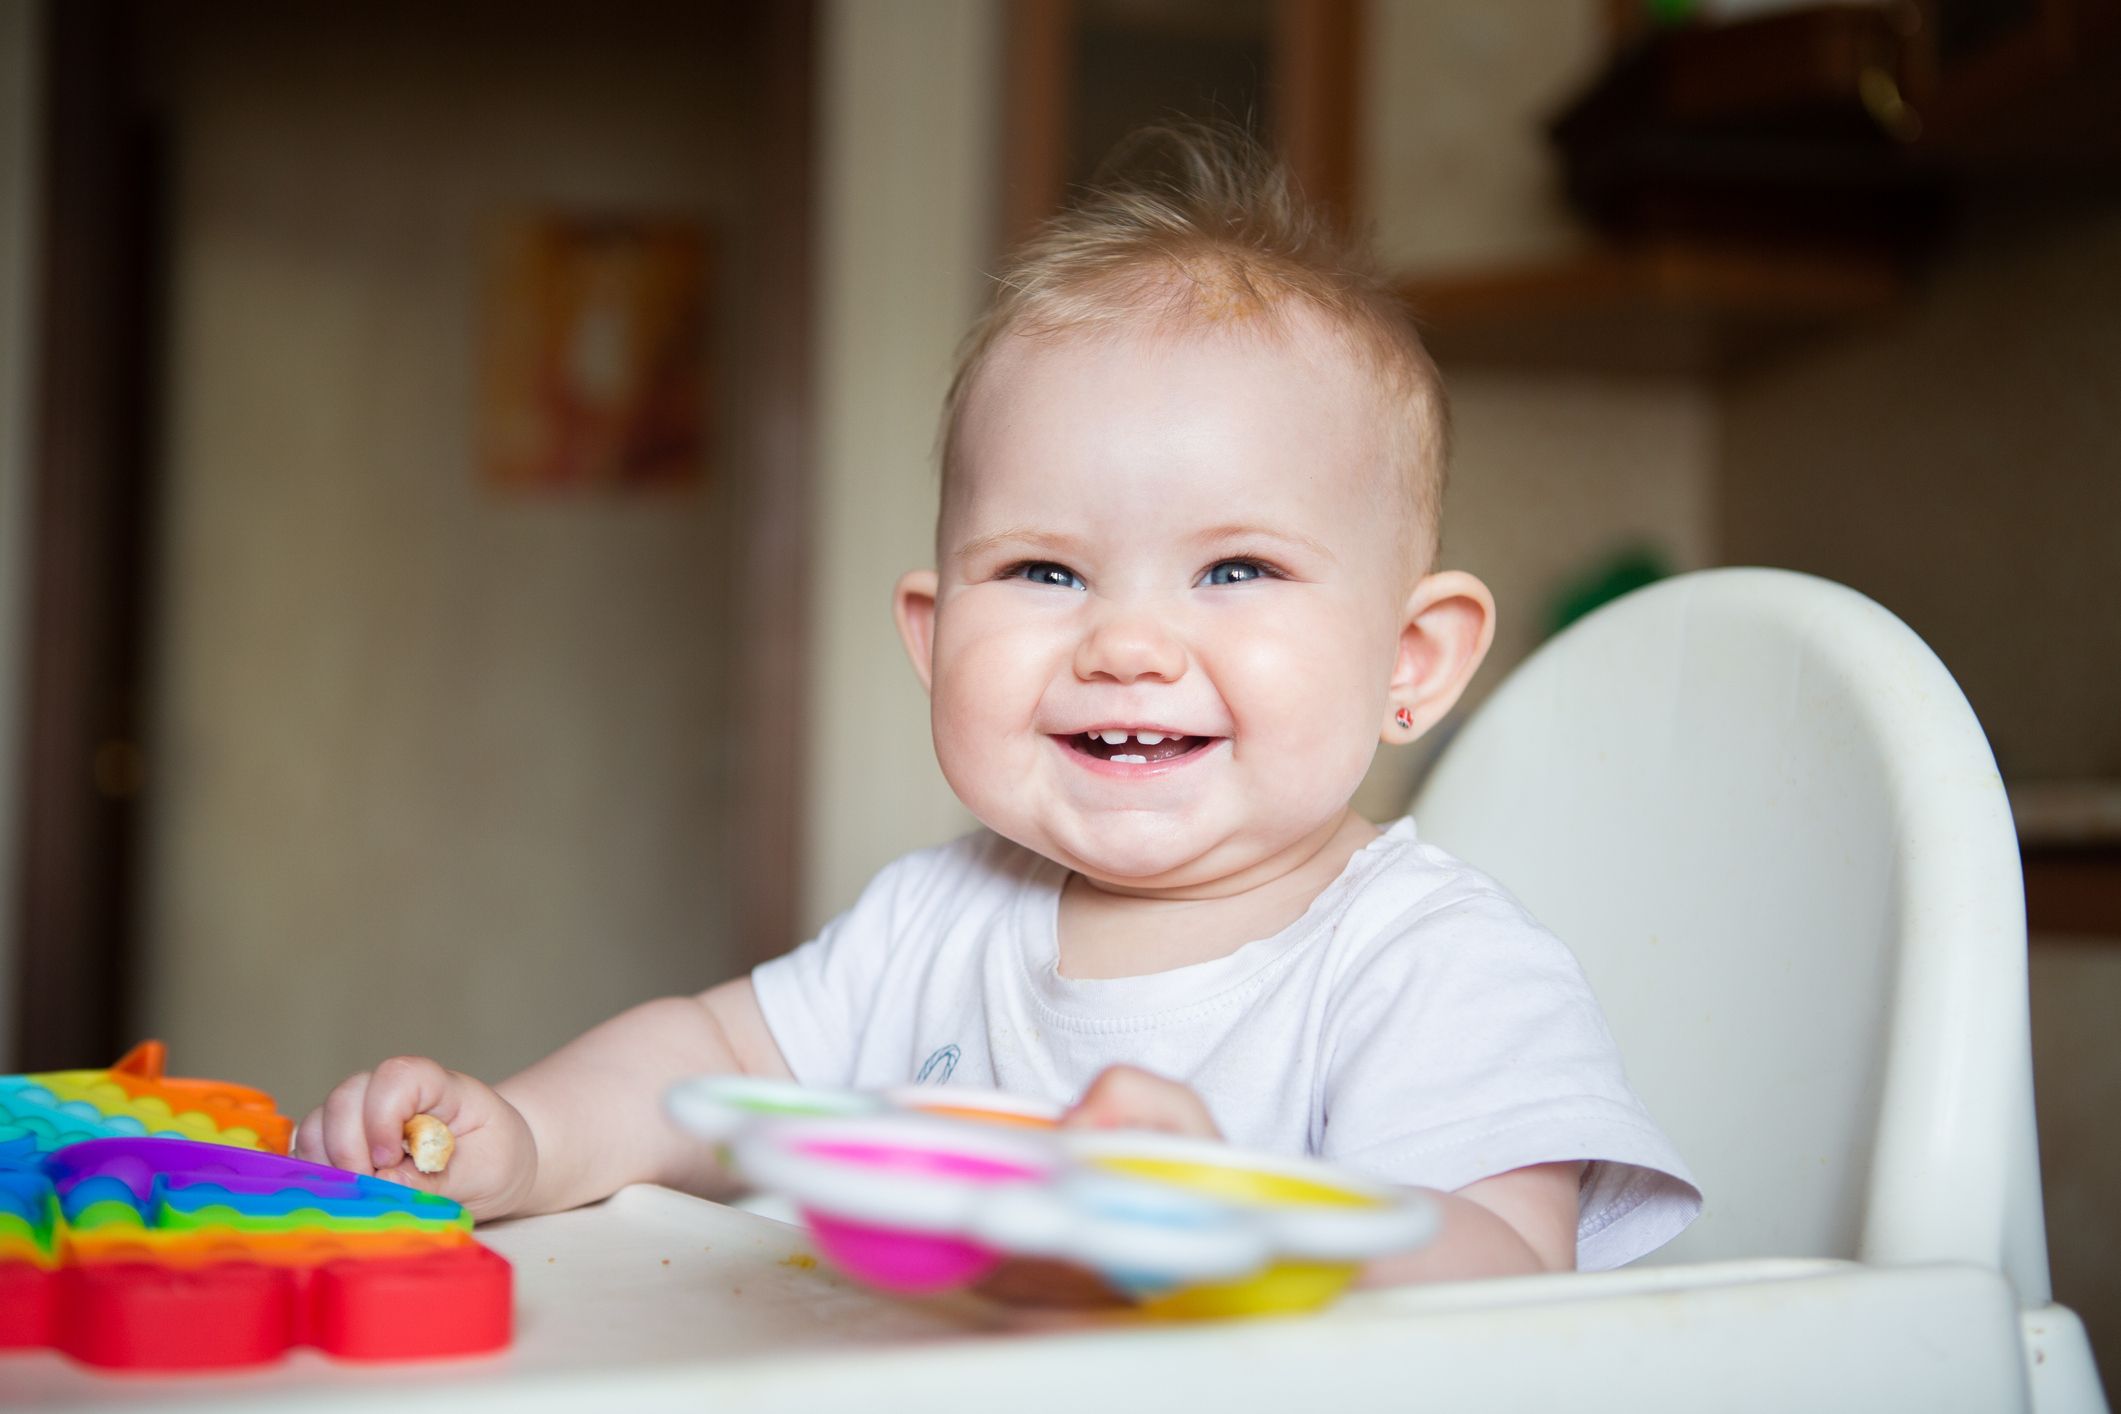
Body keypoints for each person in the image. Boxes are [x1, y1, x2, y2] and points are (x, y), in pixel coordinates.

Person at [297, 126, 1699, 1287]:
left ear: (1412, 658)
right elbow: (708, 1059)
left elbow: (1514, 1273)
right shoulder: (937, 919)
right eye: (1043, 567)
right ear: (933, 631)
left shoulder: (1427, 963)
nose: (1128, 643)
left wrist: (1237, 1211)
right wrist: (528, 1135)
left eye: (1234, 566)